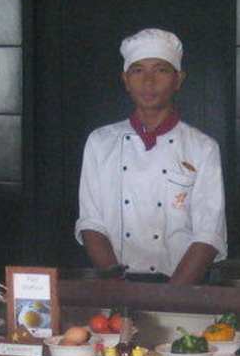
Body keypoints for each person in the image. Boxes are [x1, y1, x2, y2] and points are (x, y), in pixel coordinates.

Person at [75, 28, 226, 285]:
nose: (148, 81)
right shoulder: (100, 142)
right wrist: (118, 289)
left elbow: (208, 234)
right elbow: (91, 223)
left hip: (179, 288)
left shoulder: (203, 148)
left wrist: (169, 297)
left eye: (161, 70)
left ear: (178, 80)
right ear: (125, 80)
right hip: (116, 285)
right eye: (138, 71)